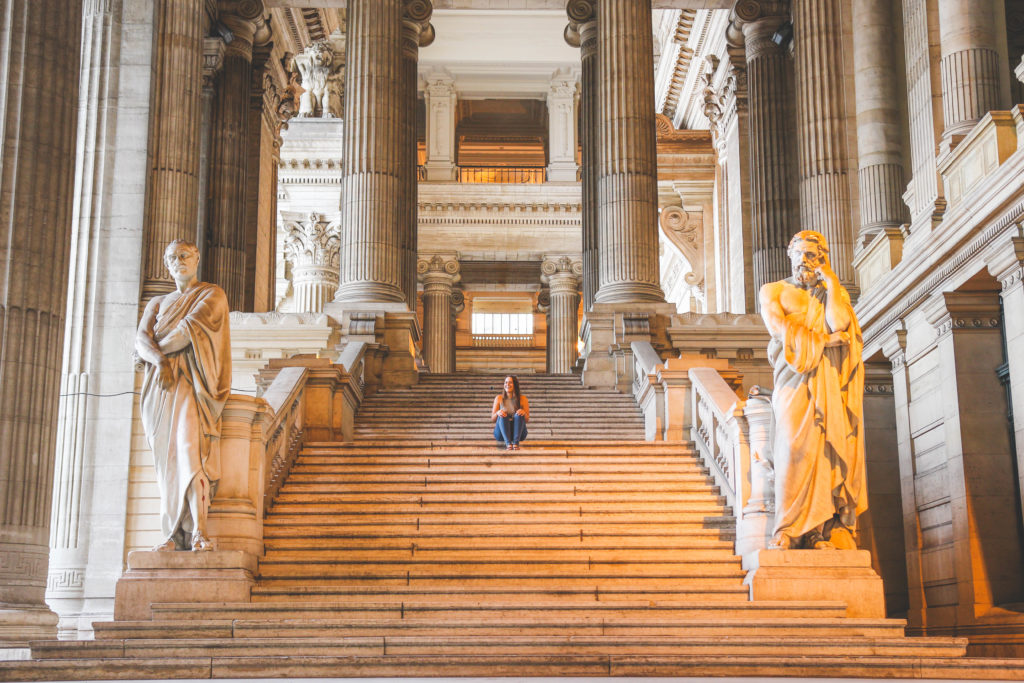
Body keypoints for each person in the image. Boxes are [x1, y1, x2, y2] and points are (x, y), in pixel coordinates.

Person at [758, 230, 867, 550]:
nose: (804, 262)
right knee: (792, 448)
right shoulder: (774, 290)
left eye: (812, 256)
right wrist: (826, 342)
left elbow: (840, 325)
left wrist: (832, 282)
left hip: (828, 379)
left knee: (826, 451)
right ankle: (788, 528)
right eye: (800, 255)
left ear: (823, 258)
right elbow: (778, 328)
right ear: (790, 256)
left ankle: (820, 530)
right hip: (793, 378)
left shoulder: (831, 292)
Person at [135, 239, 231, 551]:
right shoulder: (158, 303)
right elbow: (140, 337)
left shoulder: (212, 294)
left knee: (190, 453)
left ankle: (199, 532)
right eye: (172, 258)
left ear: (196, 258)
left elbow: (185, 332)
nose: (178, 261)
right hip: (160, 387)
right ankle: (172, 534)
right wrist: (158, 360)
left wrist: (150, 353)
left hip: (191, 382)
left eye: (184, 255)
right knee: (168, 463)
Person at [491, 375, 529, 450]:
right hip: (502, 433)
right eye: (506, 382)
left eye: (510, 382)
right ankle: (508, 444)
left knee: (519, 414)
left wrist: (523, 413)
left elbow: (527, 420)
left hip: (518, 433)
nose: (507, 384)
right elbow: (493, 419)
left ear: (515, 384)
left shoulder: (523, 399)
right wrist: (498, 413)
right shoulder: (498, 398)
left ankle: (515, 443)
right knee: (502, 414)